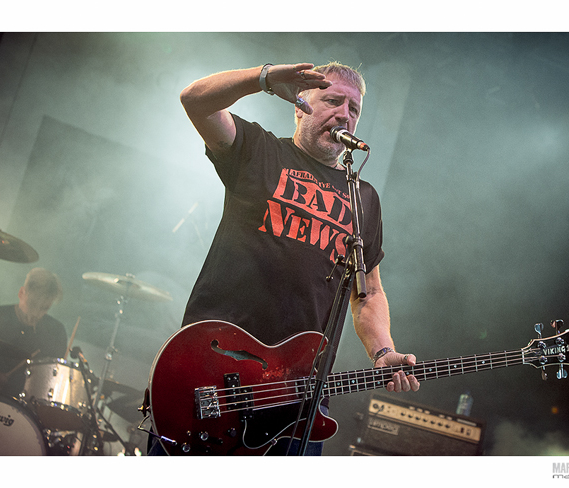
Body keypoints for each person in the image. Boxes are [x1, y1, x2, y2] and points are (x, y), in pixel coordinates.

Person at [153, 62, 419, 455]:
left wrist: (382, 350)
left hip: (297, 400)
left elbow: (368, 290)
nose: (345, 114)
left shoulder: (363, 198)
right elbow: (195, 100)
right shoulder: (259, 151)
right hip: (214, 373)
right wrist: (262, 78)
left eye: (354, 109)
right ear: (299, 106)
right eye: (333, 100)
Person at [0, 267, 68, 396]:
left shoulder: (56, 333)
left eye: (44, 308)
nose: (36, 313)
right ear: (21, 293)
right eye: (32, 305)